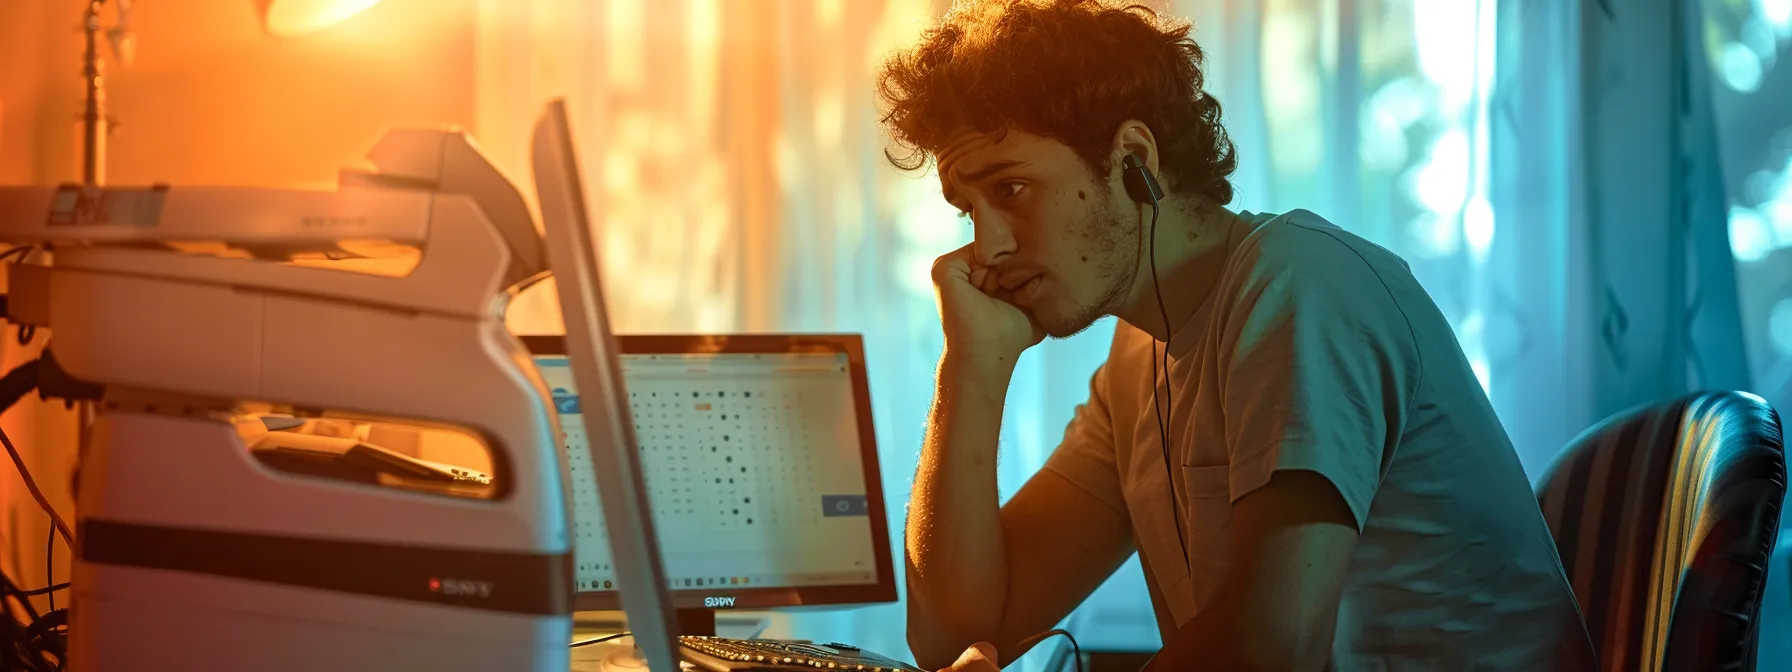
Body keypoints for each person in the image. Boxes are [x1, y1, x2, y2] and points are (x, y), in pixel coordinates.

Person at [875, 2, 1599, 670]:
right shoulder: (1137, 360)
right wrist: (971, 364)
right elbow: (955, 636)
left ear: (1135, 161)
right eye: (968, 209)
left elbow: (1273, 651)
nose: (987, 247)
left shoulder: (1300, 286)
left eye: (1011, 189)